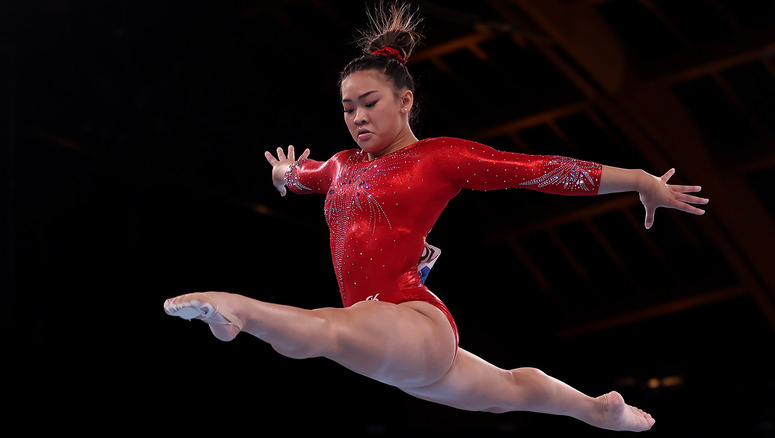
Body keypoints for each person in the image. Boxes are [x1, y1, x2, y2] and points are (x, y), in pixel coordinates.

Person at [164, 2, 708, 432]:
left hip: (409, 317)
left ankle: (237, 311)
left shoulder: (439, 158)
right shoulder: (341, 165)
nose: (356, 118)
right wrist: (283, 176)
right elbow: (302, 176)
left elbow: (535, 169)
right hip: (392, 338)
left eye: (369, 103)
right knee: (508, 396)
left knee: (329, 330)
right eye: (347, 108)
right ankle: (597, 410)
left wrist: (638, 179)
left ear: (405, 100)